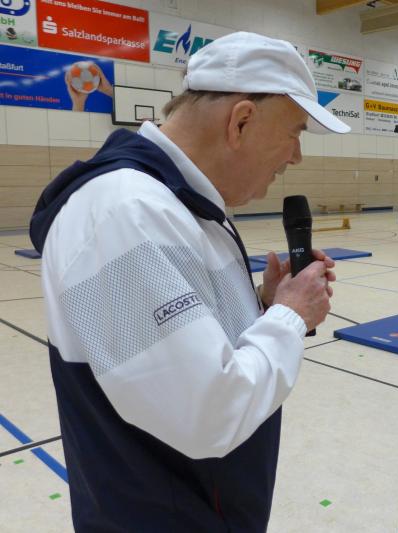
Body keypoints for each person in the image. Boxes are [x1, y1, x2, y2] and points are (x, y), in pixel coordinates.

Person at [29, 32, 350, 532]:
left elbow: (180, 347)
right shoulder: (126, 212)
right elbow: (209, 413)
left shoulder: (177, 203)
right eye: (295, 132)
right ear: (241, 121)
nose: (296, 156)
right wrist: (290, 317)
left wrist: (265, 305)